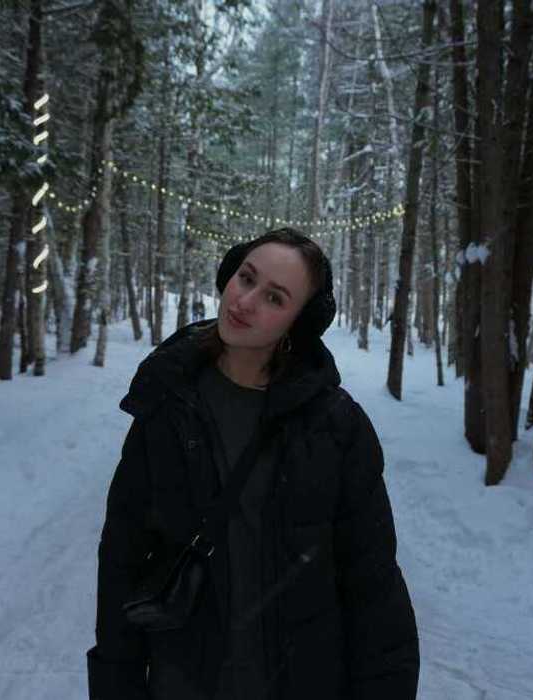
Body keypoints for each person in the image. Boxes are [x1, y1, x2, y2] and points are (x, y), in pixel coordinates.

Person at [87, 228, 419, 699]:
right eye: (246, 278)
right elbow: (122, 554)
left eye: (274, 298)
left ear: (298, 323)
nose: (245, 302)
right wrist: (115, 681)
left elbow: (373, 584)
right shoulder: (169, 400)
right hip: (184, 682)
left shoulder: (336, 428)